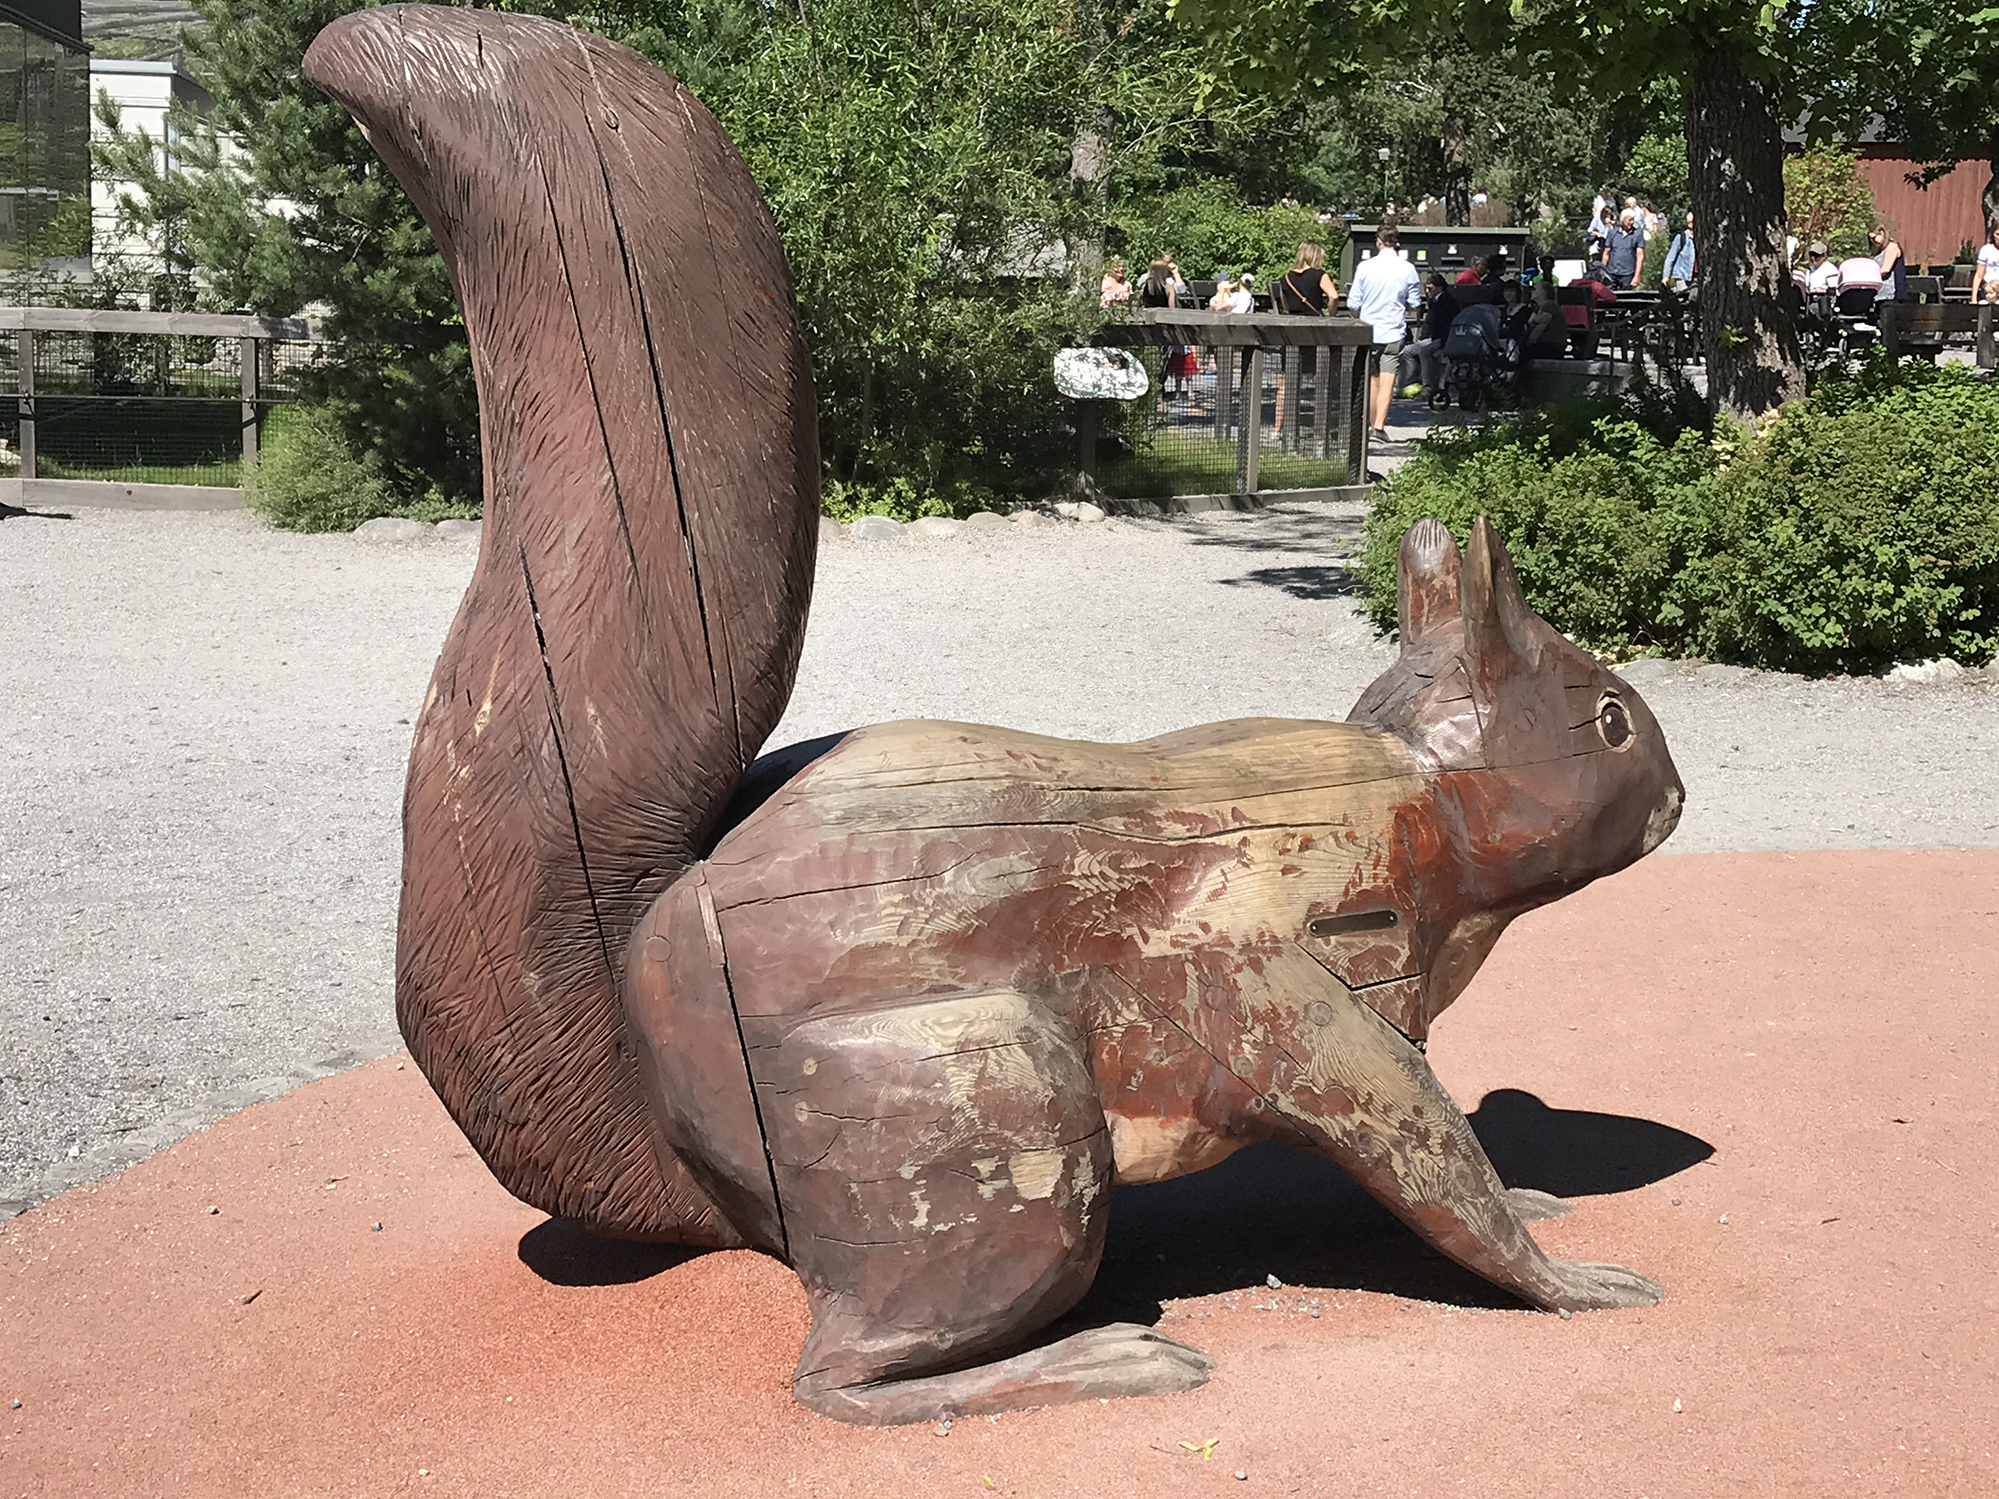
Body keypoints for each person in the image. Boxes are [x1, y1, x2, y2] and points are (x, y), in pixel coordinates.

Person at [1346, 226, 1422, 442]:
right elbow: (1414, 303)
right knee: (1388, 381)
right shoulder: (1408, 269)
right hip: (1393, 331)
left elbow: (1353, 303)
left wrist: (1360, 317)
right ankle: (1379, 427)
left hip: (1368, 331)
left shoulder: (1365, 267)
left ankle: (1370, 424)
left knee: (1372, 380)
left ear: (1378, 242)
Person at [1273, 242, 1339, 432]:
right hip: (1315, 331)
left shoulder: (1286, 278)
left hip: (1292, 332)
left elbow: (1285, 305)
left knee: (1286, 381)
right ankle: (1322, 426)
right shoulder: (1320, 275)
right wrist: (1330, 316)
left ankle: (1278, 428)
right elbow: (1334, 296)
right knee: (1322, 378)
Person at [1397, 272, 1456, 397]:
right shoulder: (1434, 301)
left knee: (1425, 351)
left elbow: (1444, 325)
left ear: (1439, 288)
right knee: (1407, 351)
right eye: (1427, 288)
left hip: (1444, 338)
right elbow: (1429, 323)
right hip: (1432, 337)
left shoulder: (1447, 301)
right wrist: (1423, 337)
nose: (1427, 291)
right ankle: (1410, 382)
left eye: (1430, 288)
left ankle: (1428, 387)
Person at [1604, 208, 1646, 290]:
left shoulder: (1637, 234)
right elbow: (1606, 253)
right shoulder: (1613, 233)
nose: (1632, 222)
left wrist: (1637, 276)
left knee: (1626, 296)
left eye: (1633, 220)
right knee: (1609, 296)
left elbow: (1640, 256)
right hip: (1612, 273)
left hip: (1628, 274)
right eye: (1629, 220)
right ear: (1623, 220)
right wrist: (1602, 271)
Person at [1870, 225, 1908, 302]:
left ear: (1881, 233)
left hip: (1891, 292)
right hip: (1882, 291)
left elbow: (1886, 269)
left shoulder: (1891, 247)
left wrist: (1868, 277)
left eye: (1874, 238)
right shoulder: (1882, 249)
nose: (1872, 241)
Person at [1663, 213, 1696, 290]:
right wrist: (1666, 276)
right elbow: (1671, 257)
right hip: (1682, 276)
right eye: (1689, 222)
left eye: (1692, 221)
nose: (1691, 224)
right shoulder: (1681, 237)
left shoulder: (1702, 239)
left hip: (1696, 277)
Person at [1972, 223, 1999, 304]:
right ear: (1993, 235)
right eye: (1997, 234)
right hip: (1989, 288)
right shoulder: (1986, 250)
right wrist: (1974, 299)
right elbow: (1979, 275)